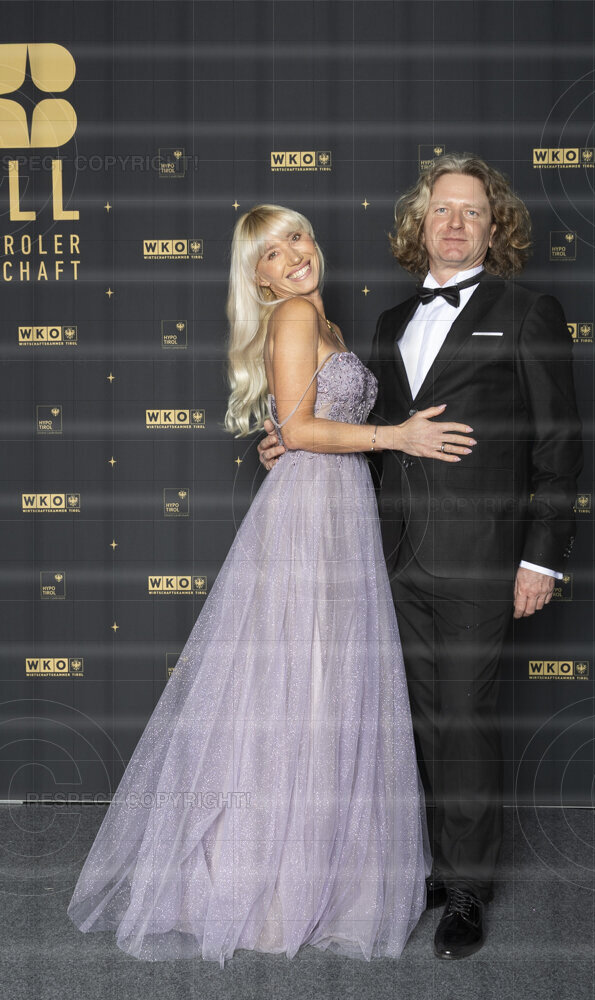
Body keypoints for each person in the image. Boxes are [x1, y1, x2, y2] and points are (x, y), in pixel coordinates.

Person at [67, 203, 480, 966]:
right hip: (310, 516)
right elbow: (298, 429)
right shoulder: (293, 315)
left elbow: (299, 425)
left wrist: (316, 437)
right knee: (304, 682)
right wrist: (396, 434)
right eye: (269, 252)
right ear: (257, 279)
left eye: (295, 236)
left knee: (320, 687)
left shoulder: (323, 323)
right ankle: (276, 882)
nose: (291, 255)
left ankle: (309, 871)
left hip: (336, 506)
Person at [258, 154, 583, 960]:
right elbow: (367, 435)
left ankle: (467, 887)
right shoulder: (389, 321)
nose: (454, 222)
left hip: (482, 557)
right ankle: (431, 864)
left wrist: (540, 560)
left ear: (493, 228)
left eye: (471, 211)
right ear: (419, 223)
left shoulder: (528, 310)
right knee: (409, 720)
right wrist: (290, 444)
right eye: (442, 209)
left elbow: (558, 443)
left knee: (463, 719)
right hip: (389, 554)